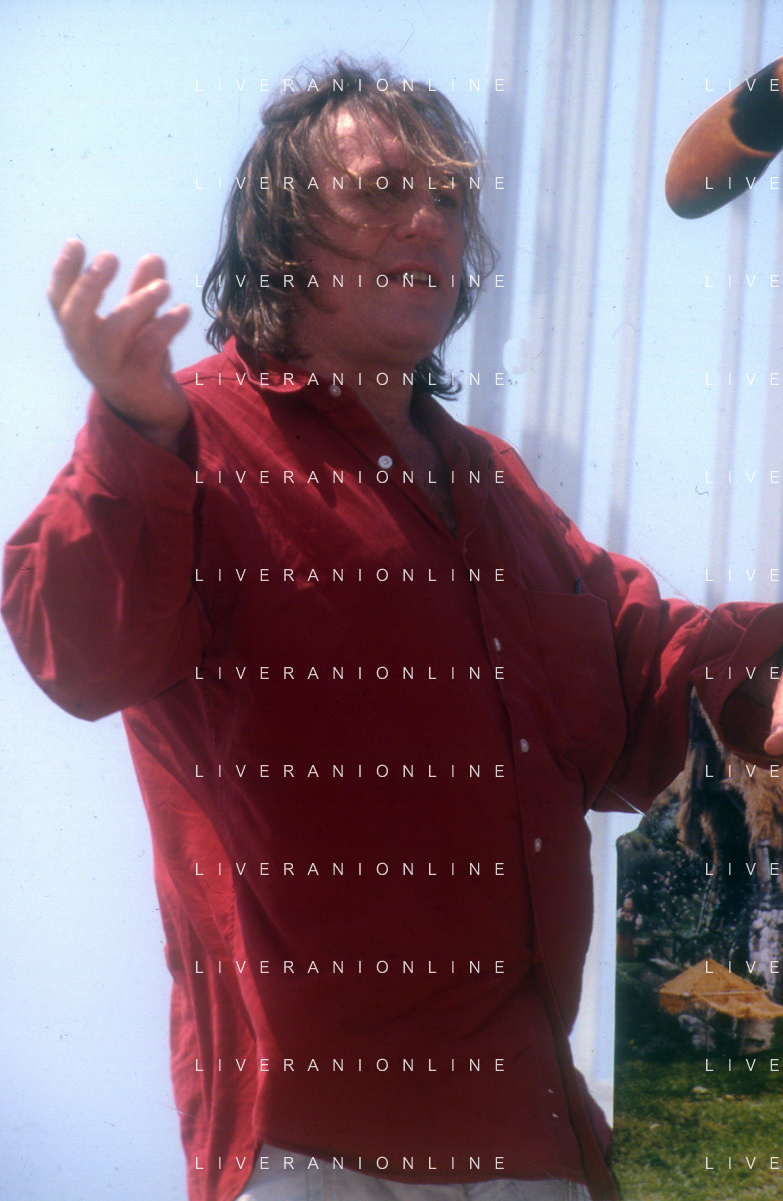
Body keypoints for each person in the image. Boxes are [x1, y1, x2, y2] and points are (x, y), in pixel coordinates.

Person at [4, 60, 783, 1201]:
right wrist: (129, 429)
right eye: (382, 191)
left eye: (453, 197)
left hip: (534, 1143)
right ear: (282, 236)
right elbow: (77, 651)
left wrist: (763, 687)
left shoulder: (495, 486)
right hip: (314, 1150)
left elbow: (647, 677)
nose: (431, 218)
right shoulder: (192, 437)